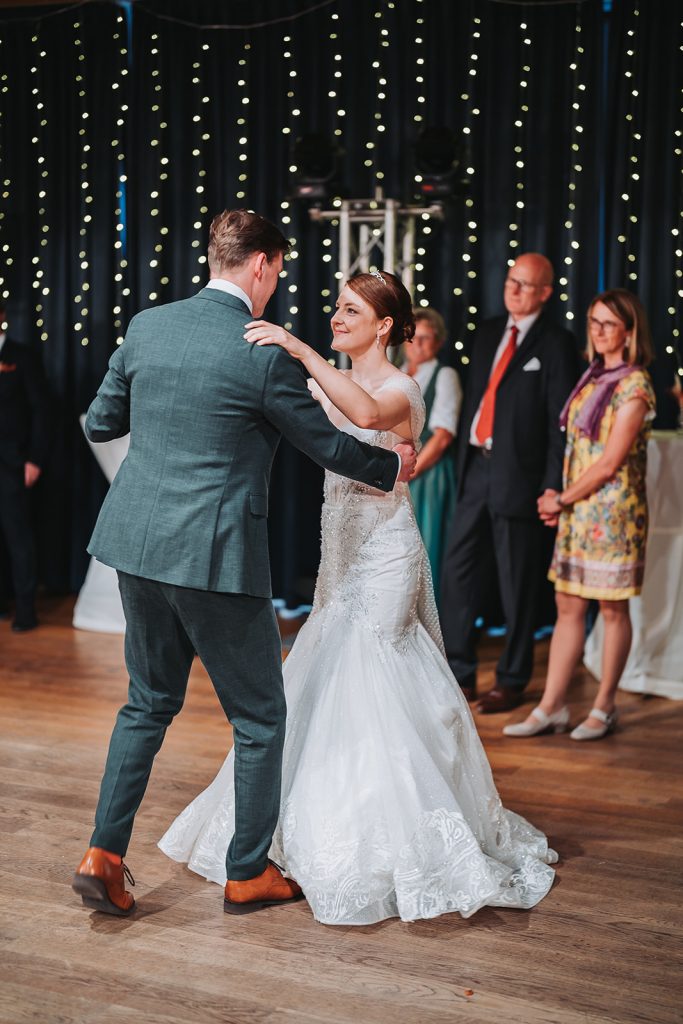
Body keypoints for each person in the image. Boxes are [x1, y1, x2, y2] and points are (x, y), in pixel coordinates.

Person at [159, 270, 557, 927]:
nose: (337, 317)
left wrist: (298, 347)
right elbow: (295, 411)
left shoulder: (399, 387)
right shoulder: (321, 385)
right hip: (337, 555)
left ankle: (404, 834)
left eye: (350, 310)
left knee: (378, 675)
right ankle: (293, 824)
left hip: (386, 554)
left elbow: (367, 417)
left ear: (383, 327)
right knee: (322, 677)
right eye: (336, 306)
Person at [71, 211, 417, 919]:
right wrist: (390, 467)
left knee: (146, 702)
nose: (279, 280)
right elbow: (326, 444)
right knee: (260, 717)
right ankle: (247, 873)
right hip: (215, 554)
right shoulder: (261, 353)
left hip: (135, 545)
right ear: (261, 263)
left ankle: (102, 854)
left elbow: (99, 423)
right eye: (280, 269)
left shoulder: (147, 325)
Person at [504, 289, 656, 741]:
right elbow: (573, 446)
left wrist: (561, 499)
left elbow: (610, 463)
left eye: (608, 324)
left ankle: (604, 706)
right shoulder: (590, 376)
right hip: (577, 510)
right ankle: (551, 706)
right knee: (567, 605)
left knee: (611, 608)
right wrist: (560, 495)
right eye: (593, 322)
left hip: (613, 515)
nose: (598, 331)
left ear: (629, 332)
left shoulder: (636, 384)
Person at [440, 253, 580, 714]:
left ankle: (512, 678)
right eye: (511, 280)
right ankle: (459, 672)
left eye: (525, 285)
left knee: (517, 583)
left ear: (545, 292)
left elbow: (561, 423)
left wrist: (550, 486)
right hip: (476, 466)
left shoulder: (558, 343)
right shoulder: (487, 332)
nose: (514, 289)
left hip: (520, 476)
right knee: (458, 571)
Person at [402, 306, 462, 597]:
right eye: (415, 336)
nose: (419, 344)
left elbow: (442, 436)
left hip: (428, 473)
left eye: (428, 338)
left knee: (426, 544)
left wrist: (408, 474)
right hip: (397, 470)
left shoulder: (444, 375)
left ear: (438, 342)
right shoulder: (397, 373)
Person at [0, 302, 50, 631]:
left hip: (12, 461)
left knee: (18, 537)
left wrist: (35, 458)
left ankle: (26, 610)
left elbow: (42, 410)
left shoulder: (22, 356)